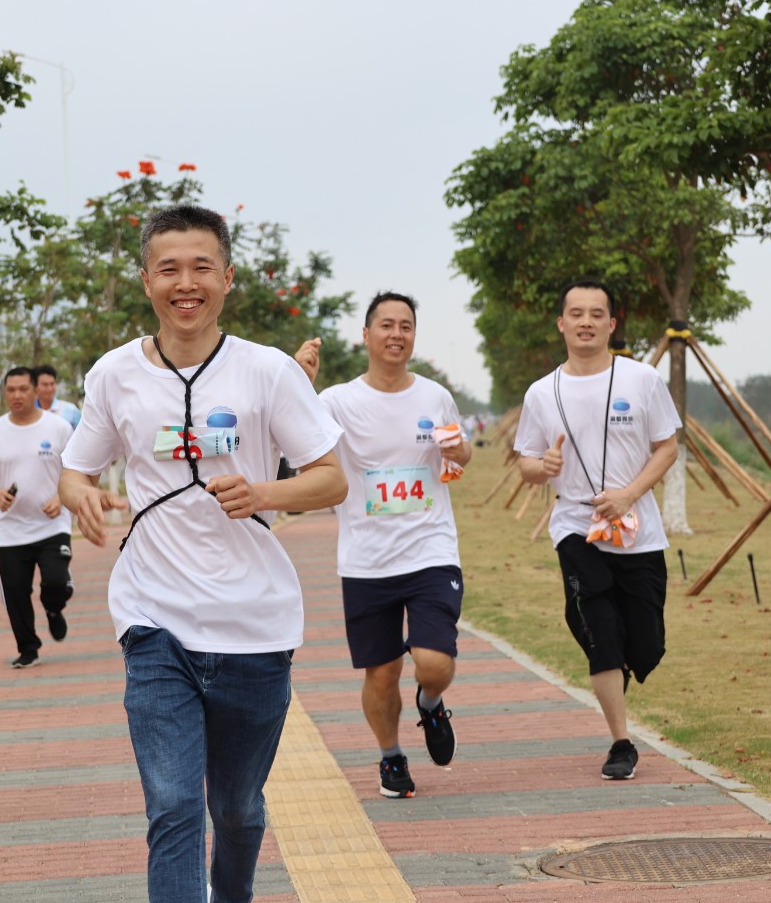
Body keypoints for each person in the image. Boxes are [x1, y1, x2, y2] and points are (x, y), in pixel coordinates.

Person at [59, 204, 347, 903]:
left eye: (201, 268)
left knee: (237, 808)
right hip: (153, 618)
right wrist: (81, 495)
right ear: (146, 280)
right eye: (169, 270)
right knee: (174, 805)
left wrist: (264, 492)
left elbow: (332, 478)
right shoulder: (114, 374)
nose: (185, 284)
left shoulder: (269, 372)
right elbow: (74, 469)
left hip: (254, 624)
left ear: (227, 277)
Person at [294, 292, 471, 799]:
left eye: (406, 326)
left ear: (414, 336)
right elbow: (297, 447)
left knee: (433, 662)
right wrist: (299, 386)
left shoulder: (435, 397)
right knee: (383, 671)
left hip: (431, 549)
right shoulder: (335, 402)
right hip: (366, 559)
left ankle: (431, 703)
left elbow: (458, 459)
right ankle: (391, 756)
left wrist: (461, 451)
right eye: (387, 325)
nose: (397, 334)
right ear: (366, 335)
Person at [515, 279, 680, 781]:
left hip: (637, 529)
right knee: (600, 630)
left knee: (646, 645)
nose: (585, 322)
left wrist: (628, 495)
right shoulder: (541, 393)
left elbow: (667, 448)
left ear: (611, 323)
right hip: (575, 526)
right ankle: (621, 742)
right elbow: (525, 462)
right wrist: (542, 466)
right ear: (561, 323)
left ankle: (623, 662)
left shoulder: (642, 379)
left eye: (595, 314)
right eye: (576, 313)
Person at [0, 366, 76, 668]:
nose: (16, 395)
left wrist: (61, 498)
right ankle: (28, 648)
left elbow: (77, 469)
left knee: (55, 582)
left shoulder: (58, 428)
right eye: (10, 390)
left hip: (52, 524)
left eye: (23, 389)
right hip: (11, 530)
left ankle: (53, 608)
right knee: (15, 592)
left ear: (36, 391)